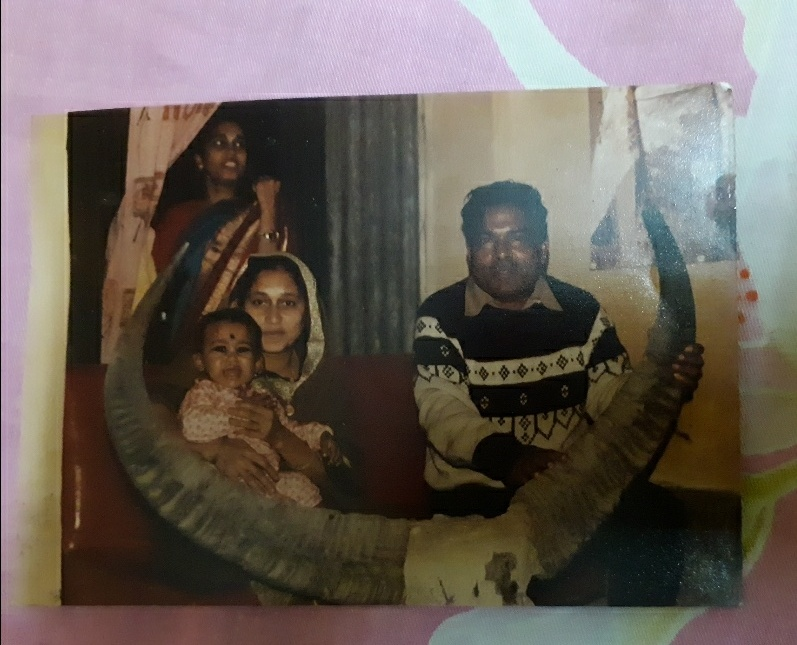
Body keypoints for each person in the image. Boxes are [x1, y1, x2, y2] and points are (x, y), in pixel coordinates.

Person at [413, 180, 705, 605]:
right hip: (477, 493)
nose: (501, 254)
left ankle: (637, 632)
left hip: (569, 492)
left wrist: (665, 384)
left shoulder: (582, 311)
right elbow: (442, 409)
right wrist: (512, 458)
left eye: (517, 238)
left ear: (543, 248)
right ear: (470, 251)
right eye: (487, 240)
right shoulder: (439, 315)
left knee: (659, 516)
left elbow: (614, 397)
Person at [147, 115, 291, 362]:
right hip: (187, 352)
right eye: (219, 143)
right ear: (200, 161)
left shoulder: (260, 215)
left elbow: (271, 279)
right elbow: (158, 290)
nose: (231, 152)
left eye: (239, 144)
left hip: (247, 352)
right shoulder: (179, 218)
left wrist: (267, 210)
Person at [180, 307, 344, 508]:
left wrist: (320, 436)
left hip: (268, 478)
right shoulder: (204, 392)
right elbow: (191, 424)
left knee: (304, 488)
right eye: (220, 349)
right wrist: (242, 414)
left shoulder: (264, 398)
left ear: (257, 363)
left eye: (242, 350)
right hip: (226, 476)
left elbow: (291, 428)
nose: (232, 359)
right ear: (200, 362)